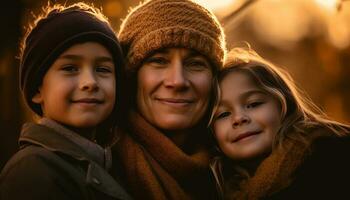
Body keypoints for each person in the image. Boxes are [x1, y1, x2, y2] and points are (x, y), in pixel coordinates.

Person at [0, 3, 132, 200]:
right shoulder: (32, 171)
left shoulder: (115, 166)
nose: (90, 82)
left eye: (102, 69)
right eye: (70, 68)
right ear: (37, 89)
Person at [111, 0, 227, 199]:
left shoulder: (241, 170)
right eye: (159, 61)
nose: (178, 81)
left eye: (195, 63)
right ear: (131, 78)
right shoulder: (97, 166)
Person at [210, 47, 350, 199]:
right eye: (223, 114)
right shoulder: (217, 190)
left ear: (284, 105)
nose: (239, 118)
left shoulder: (333, 153)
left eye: (254, 103)